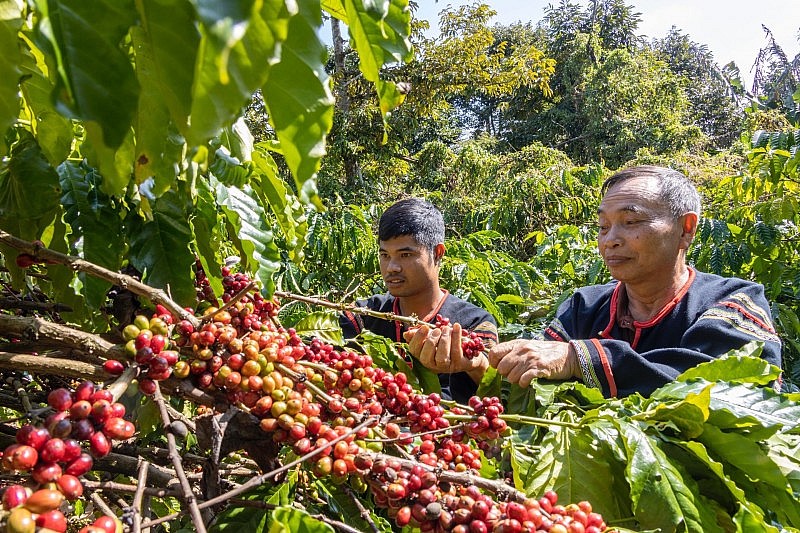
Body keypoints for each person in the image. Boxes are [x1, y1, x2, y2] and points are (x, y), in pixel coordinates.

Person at [475, 165, 782, 397]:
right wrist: (474, 364)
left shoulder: (734, 303)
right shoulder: (585, 306)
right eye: (602, 226)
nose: (610, 240)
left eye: (631, 222)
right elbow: (532, 382)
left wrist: (579, 358)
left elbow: (718, 384)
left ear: (686, 229)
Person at [339, 198, 498, 403]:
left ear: (437, 253)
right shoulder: (362, 317)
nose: (391, 267)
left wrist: (474, 364)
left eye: (405, 254)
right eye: (385, 255)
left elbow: (498, 396)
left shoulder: (474, 323)